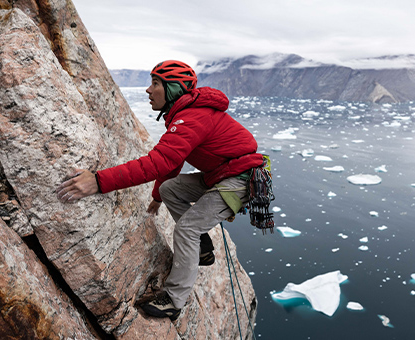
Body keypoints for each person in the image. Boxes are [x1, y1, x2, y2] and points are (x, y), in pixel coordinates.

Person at [56, 60, 264, 321]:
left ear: (173, 88)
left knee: (188, 227)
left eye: (155, 83)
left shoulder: (193, 116)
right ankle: (202, 249)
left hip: (238, 179)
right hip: (222, 175)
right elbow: (172, 161)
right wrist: (157, 196)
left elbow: (157, 162)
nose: (148, 90)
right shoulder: (184, 114)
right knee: (170, 189)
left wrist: (98, 181)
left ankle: (174, 300)